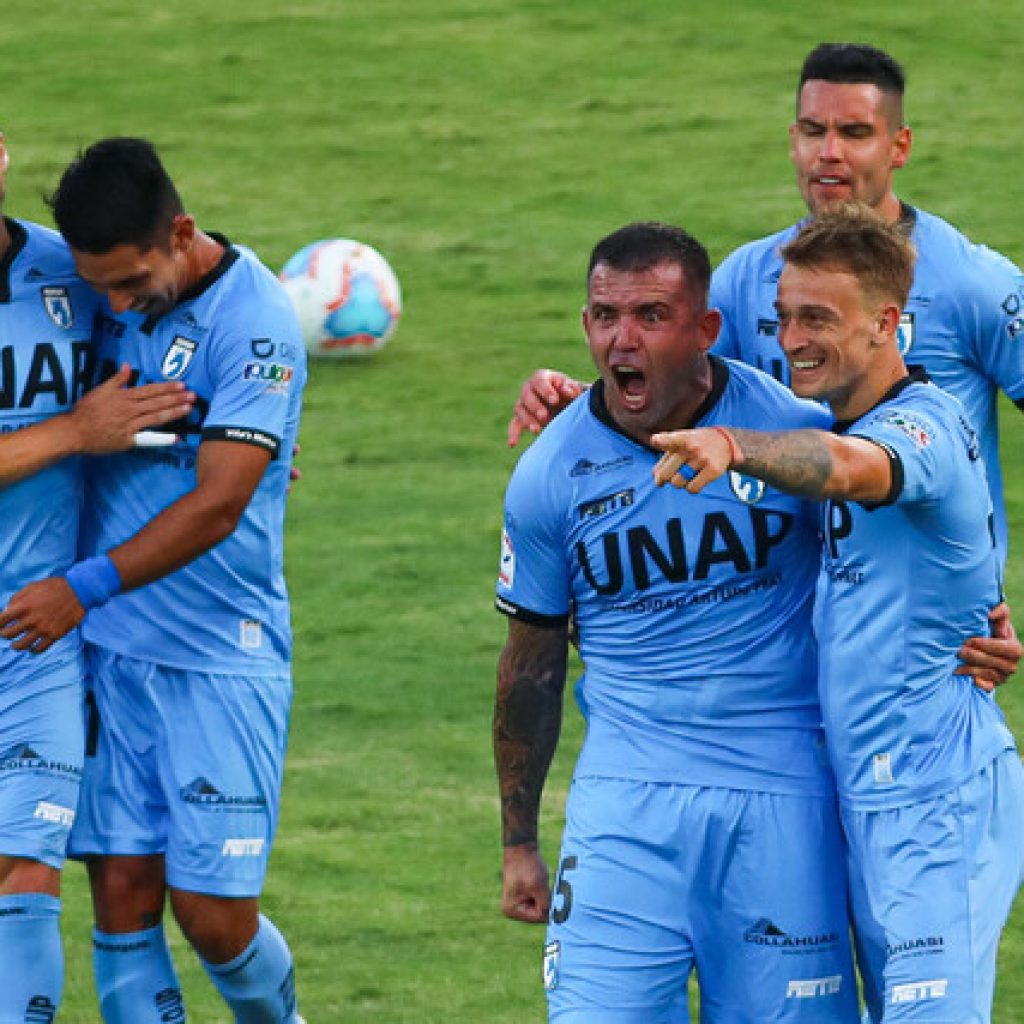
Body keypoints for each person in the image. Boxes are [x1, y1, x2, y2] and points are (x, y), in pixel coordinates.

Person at [650, 204, 1024, 1023]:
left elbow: (854, 469)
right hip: (853, 802)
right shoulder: (825, 419)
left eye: (818, 318)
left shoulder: (923, 425)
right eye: (783, 318)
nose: (792, 340)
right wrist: (573, 397)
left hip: (936, 799)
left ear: (887, 322)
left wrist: (736, 447)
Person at [495, 221, 862, 1022]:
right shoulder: (550, 473)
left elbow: (888, 564)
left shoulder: (790, 431)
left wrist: (977, 621)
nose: (622, 339)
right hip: (625, 806)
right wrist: (519, 840)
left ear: (706, 329)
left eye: (651, 316)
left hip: (784, 799)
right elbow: (531, 666)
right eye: (605, 316)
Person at [507, 43, 1024, 575]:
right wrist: (588, 402)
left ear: (900, 146)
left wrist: (971, 593)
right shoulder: (746, 278)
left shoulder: (972, 283)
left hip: (925, 602)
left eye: (854, 133)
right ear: (793, 140)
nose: (829, 153)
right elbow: (684, 397)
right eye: (813, 131)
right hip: (807, 600)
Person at [0, 137, 306, 1024]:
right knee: (121, 896)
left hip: (215, 653)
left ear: (180, 233)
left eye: (131, 284)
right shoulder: (82, 281)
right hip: (97, 654)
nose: (115, 306)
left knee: (212, 918)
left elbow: (219, 504)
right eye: (100, 288)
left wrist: (81, 587)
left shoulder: (255, 319)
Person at [0, 131, 196, 1023]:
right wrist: (74, 433)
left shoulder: (71, 269)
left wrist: (237, 449)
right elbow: (91, 423)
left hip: (32, 634)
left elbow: (149, 370)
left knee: (23, 868)